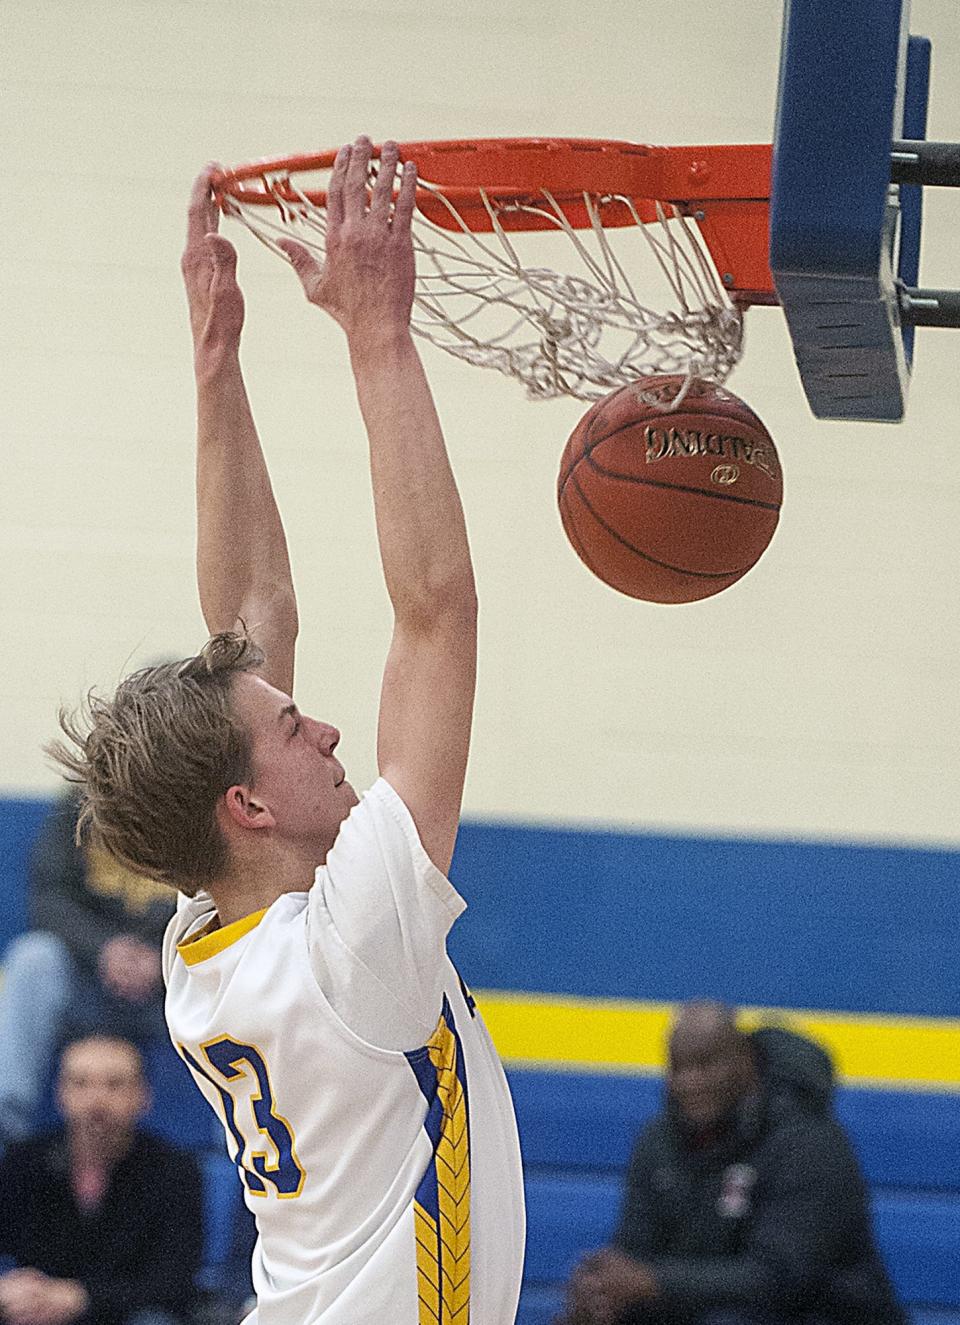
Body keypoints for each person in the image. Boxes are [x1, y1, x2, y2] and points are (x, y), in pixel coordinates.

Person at [50, 137, 524, 1325]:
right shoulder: (346, 939)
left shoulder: (216, 937)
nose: (322, 729)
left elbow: (249, 617)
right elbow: (435, 614)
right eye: (293, 726)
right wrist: (377, 336)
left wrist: (220, 367)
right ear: (246, 806)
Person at [559, 1001, 906, 1325]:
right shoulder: (658, 1141)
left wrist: (652, 1282)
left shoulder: (811, 1143)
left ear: (746, 1062)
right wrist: (601, 1292)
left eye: (705, 1065)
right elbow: (634, 1256)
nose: (689, 1082)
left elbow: (781, 1279)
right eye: (678, 1067)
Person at [0, 792, 173, 1146]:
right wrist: (103, 949)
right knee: (33, 958)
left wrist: (166, 959)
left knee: (236, 970)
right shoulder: (76, 807)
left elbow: (226, 904)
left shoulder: (199, 808)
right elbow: (48, 899)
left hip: (170, 987)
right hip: (86, 977)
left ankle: (248, 1147)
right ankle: (7, 1125)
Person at [0, 1034, 202, 1325]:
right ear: (60, 1094)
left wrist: (79, 1298)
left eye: (114, 1085)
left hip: (124, 1315)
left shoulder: (174, 1171)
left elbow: (174, 1284)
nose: (97, 1102)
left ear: (143, 1095)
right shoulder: (25, 1161)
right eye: (81, 1083)